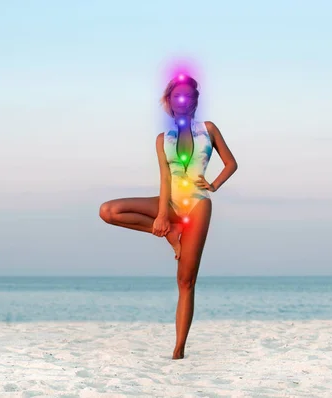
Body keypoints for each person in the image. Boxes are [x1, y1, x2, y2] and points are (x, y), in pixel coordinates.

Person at [99, 73, 238, 359]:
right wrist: (162, 217)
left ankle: (178, 349)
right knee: (109, 210)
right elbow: (164, 180)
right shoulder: (163, 139)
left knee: (185, 281)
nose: (182, 100)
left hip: (198, 204)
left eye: (188, 96)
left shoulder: (208, 129)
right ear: (170, 101)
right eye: (177, 96)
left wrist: (213, 185)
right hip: (171, 201)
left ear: (195, 101)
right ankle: (173, 234)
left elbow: (231, 163)